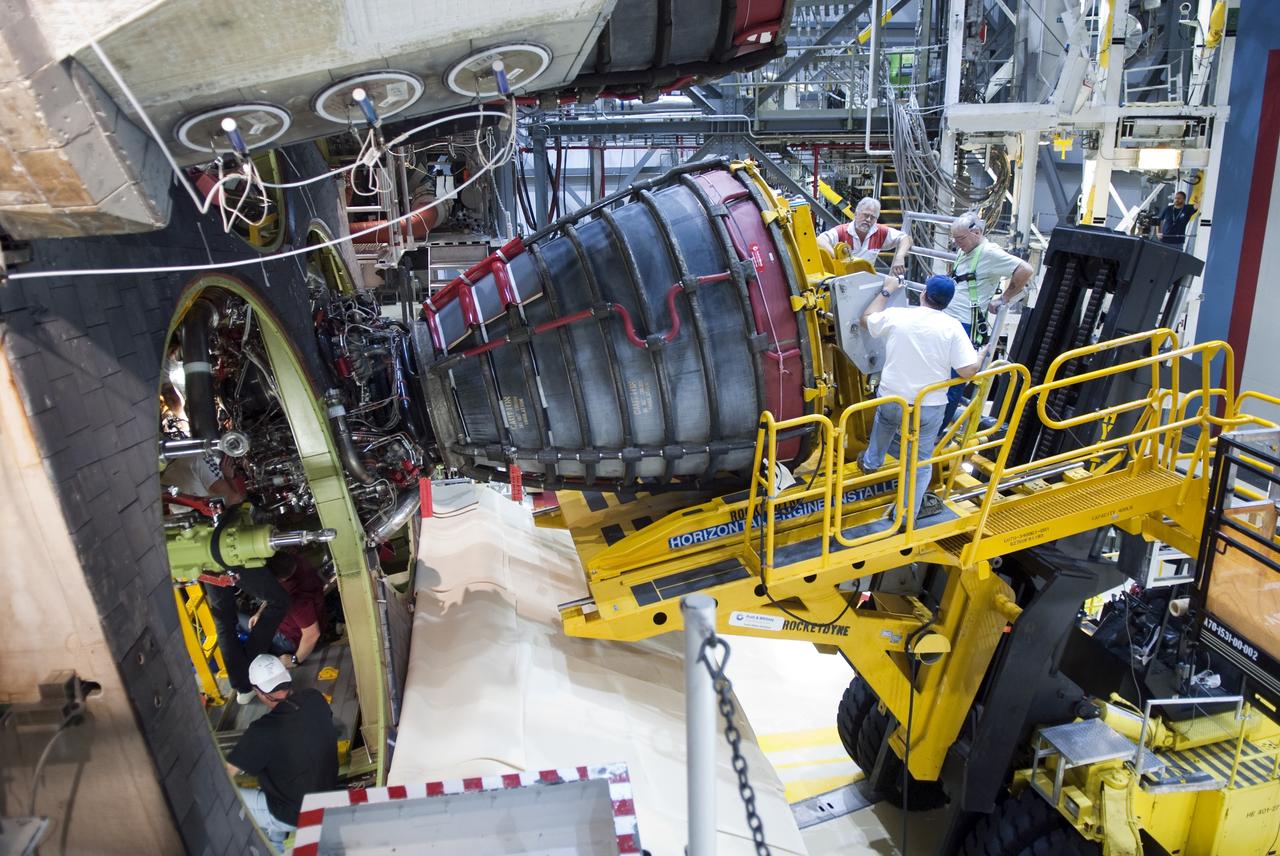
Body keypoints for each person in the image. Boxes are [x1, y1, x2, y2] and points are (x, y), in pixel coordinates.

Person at [859, 275, 984, 524]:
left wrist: (887, 290)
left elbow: (865, 320)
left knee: (884, 426)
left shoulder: (899, 315)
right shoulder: (953, 327)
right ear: (947, 303)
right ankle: (905, 516)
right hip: (929, 405)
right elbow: (968, 371)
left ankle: (872, 461)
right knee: (920, 461)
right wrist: (981, 356)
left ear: (923, 293)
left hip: (893, 398)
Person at [226, 655, 339, 850]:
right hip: (326, 792)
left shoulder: (261, 732)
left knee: (231, 798)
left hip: (296, 813)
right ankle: (276, 843)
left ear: (259, 692)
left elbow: (224, 774)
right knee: (274, 787)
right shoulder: (314, 697)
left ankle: (273, 844)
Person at [943, 213, 1034, 429]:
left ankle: (938, 430)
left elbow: (1025, 270)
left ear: (977, 232)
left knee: (954, 380)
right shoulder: (966, 249)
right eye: (954, 239)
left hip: (965, 323)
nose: (957, 243)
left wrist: (1005, 297)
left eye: (961, 239)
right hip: (949, 318)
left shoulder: (989, 253)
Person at [243, 552, 327, 671]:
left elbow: (312, 634)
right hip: (294, 621)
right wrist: (259, 613)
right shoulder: (295, 559)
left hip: (290, 638)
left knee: (236, 620)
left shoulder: (296, 600)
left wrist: (295, 660)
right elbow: (273, 593)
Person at [816, 197, 913, 276]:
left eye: (873, 217)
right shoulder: (842, 231)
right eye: (865, 215)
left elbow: (906, 238)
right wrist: (837, 257)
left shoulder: (880, 232)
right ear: (856, 213)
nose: (868, 219)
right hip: (841, 279)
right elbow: (820, 240)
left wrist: (899, 257)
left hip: (865, 282)